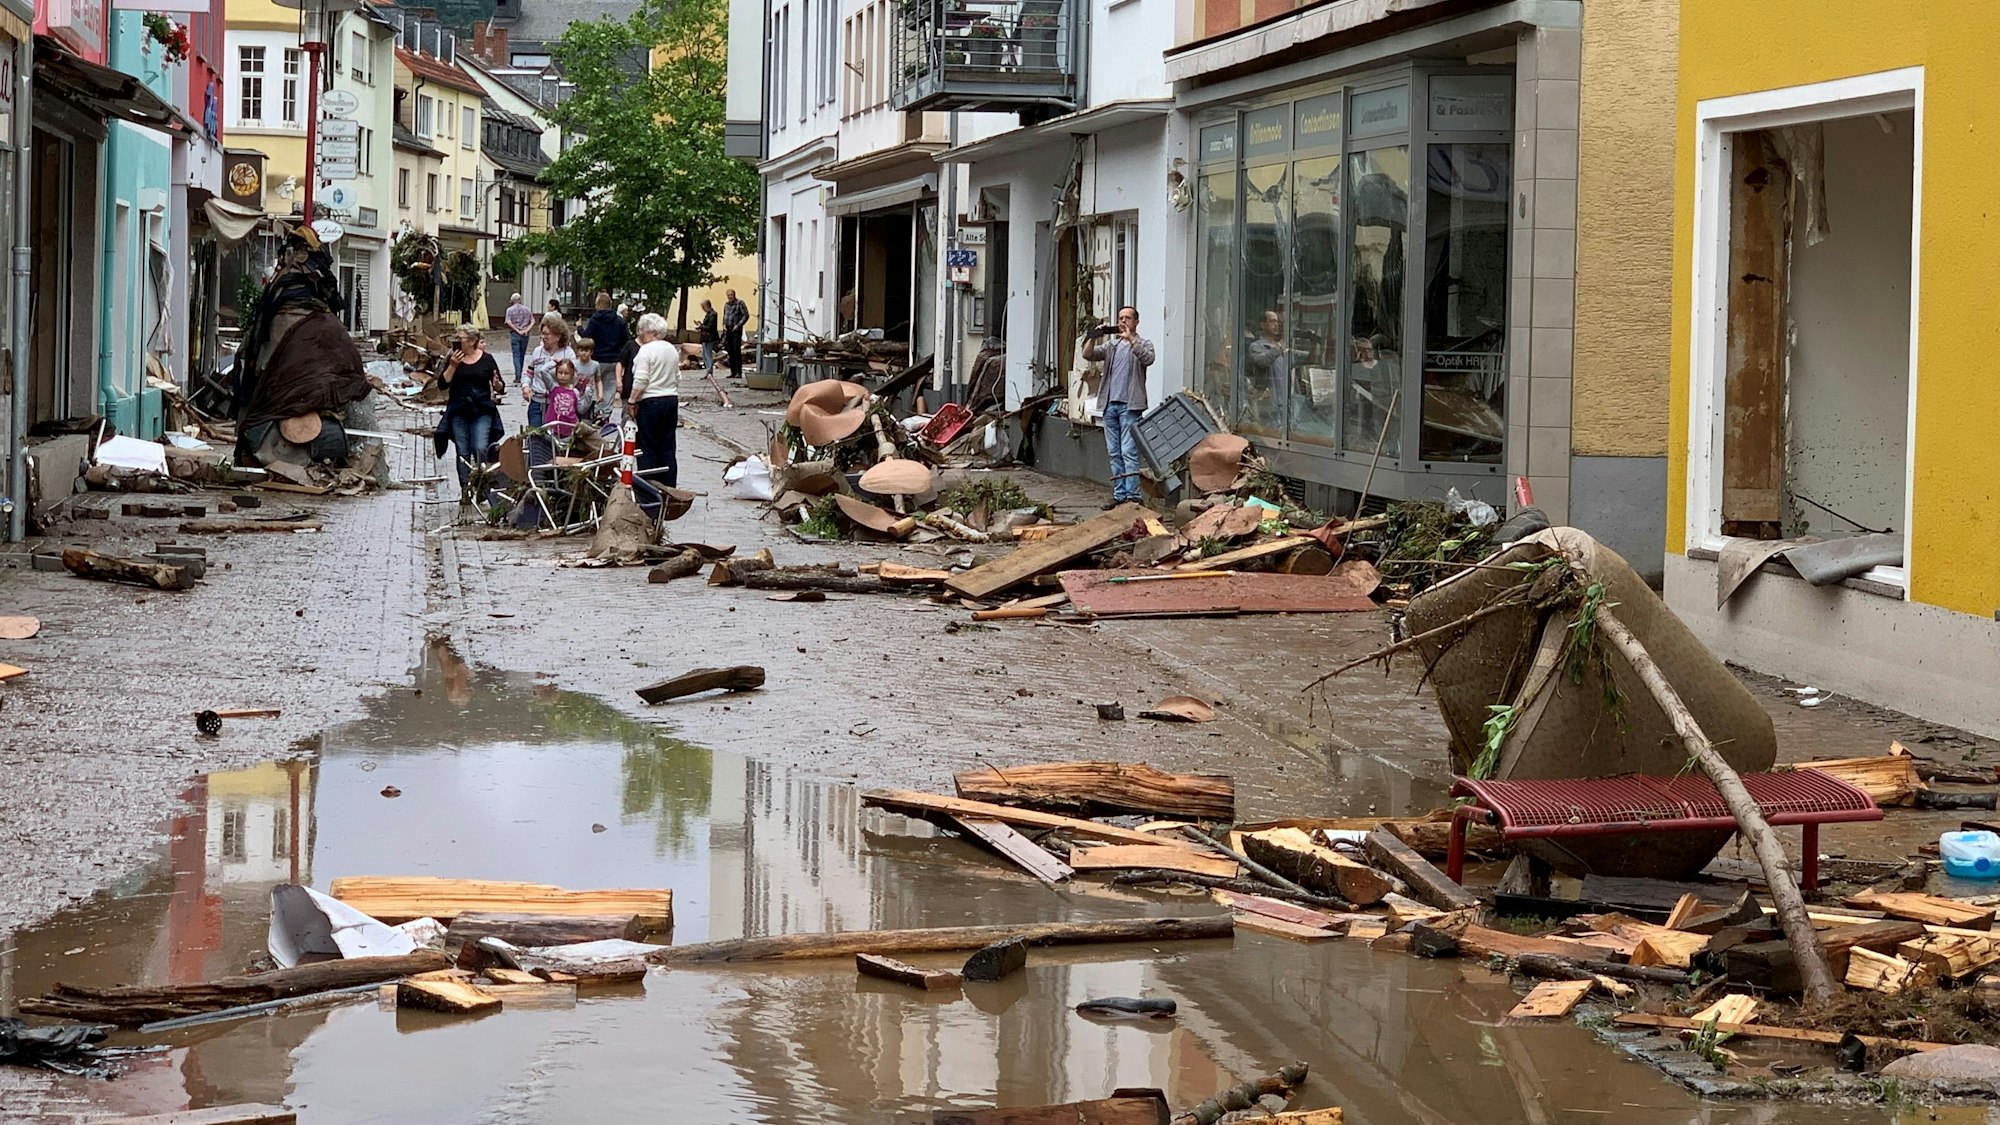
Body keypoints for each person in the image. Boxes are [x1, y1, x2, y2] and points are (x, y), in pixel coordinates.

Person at [1082, 305, 1155, 509]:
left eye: (1128, 318)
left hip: (1130, 406)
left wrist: (1131, 339)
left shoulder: (1144, 344)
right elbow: (1088, 354)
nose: (1123, 322)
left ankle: (1133, 496)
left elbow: (1148, 359)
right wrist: (1095, 335)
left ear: (1136, 322)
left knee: (1128, 451)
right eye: (1121, 318)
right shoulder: (1112, 346)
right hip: (1109, 405)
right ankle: (1119, 494)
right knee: (1114, 452)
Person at [439, 325, 503, 495]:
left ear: (472, 341)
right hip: (459, 410)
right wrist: (452, 365)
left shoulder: (487, 359)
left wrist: (497, 385)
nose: (457, 341)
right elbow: (442, 384)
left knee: (480, 447)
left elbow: (500, 386)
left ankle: (482, 484)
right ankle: (465, 488)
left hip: (481, 410)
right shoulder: (453, 358)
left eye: (460, 338)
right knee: (463, 450)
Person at [626, 312, 680, 487]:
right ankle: (669, 486)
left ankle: (647, 486)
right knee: (667, 446)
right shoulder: (671, 349)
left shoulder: (646, 350)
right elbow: (678, 376)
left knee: (647, 446)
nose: (640, 334)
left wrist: (632, 401)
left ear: (650, 331)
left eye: (642, 330)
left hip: (651, 401)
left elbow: (641, 379)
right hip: (671, 399)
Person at [521, 316, 577, 430]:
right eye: (542, 334)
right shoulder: (537, 352)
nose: (543, 337)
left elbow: (573, 378)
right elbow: (529, 373)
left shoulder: (568, 354)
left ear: (557, 336)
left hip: (557, 404)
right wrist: (525, 386)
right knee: (535, 436)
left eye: (547, 334)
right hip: (537, 402)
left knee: (554, 440)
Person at [583, 291, 630, 403]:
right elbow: (626, 341)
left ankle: (595, 410)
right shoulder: (620, 321)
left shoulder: (594, 320)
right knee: (609, 389)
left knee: (595, 387)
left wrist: (580, 328)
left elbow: (587, 336)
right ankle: (605, 414)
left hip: (597, 358)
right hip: (614, 360)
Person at [545, 359, 583, 442]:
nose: (562, 376)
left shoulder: (575, 392)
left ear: (572, 375)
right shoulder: (553, 387)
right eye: (560, 372)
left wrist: (588, 394)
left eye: (566, 373)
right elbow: (543, 371)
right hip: (553, 428)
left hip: (569, 429)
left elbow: (580, 409)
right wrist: (554, 363)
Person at [503, 293, 535, 385]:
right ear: (520, 299)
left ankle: (518, 376)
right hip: (525, 334)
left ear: (512, 300)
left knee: (516, 355)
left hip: (514, 334)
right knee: (522, 354)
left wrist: (517, 330)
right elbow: (533, 321)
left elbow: (508, 321)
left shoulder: (509, 310)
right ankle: (519, 373)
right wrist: (526, 330)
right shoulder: (527, 309)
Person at [721, 289, 749, 378]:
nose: (730, 297)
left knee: (736, 351)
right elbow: (725, 315)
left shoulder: (740, 303)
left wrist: (739, 325)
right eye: (728, 295)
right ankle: (732, 372)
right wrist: (724, 325)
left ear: (734, 295)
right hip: (728, 329)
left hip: (736, 329)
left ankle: (738, 372)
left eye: (731, 295)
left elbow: (745, 315)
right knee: (730, 351)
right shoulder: (726, 305)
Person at [697, 299, 720, 375]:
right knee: (704, 354)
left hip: (709, 337)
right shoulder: (709, 314)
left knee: (708, 354)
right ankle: (708, 369)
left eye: (703, 307)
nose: (702, 309)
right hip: (706, 337)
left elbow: (710, 327)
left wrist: (701, 326)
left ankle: (709, 371)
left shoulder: (712, 314)